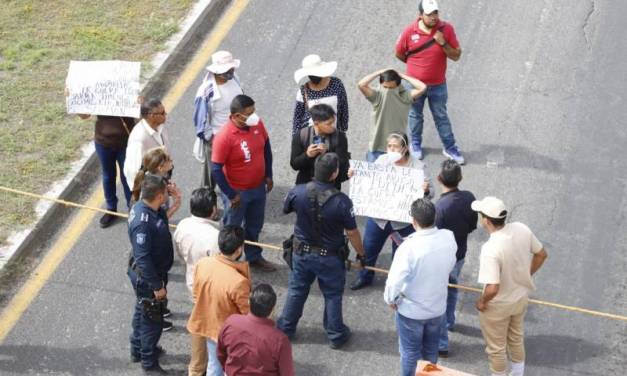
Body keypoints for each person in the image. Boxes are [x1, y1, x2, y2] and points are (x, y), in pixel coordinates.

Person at [277, 153, 366, 349]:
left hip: (301, 253)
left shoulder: (298, 191)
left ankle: (285, 329)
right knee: (333, 295)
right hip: (330, 257)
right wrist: (361, 253)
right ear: (334, 174)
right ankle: (335, 334)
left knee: (297, 290)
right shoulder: (342, 202)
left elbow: (286, 208)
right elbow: (352, 232)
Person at [472, 197, 548, 376]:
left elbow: (492, 288)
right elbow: (541, 254)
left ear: (486, 221)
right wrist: (526, 275)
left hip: (498, 305)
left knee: (496, 348)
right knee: (515, 338)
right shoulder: (522, 228)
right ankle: (517, 373)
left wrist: (482, 302)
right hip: (520, 297)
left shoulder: (490, 249)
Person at [350, 132, 433, 291]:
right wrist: (356, 175)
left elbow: (431, 194)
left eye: (396, 146)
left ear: (405, 148)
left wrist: (426, 190)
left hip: (402, 224)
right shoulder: (381, 161)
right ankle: (364, 277)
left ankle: (395, 284)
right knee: (369, 250)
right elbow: (368, 180)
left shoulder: (418, 167)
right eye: (389, 146)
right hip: (378, 220)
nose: (392, 149)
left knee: (400, 256)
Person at [384, 198, 456, 376]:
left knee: (410, 353)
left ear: (413, 221)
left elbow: (394, 282)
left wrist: (391, 300)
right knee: (431, 352)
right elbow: (451, 263)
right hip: (437, 308)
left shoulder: (408, 247)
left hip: (411, 312)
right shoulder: (448, 237)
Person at [211, 94, 276, 271]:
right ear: (237, 116)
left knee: (255, 225)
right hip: (237, 193)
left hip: (258, 188)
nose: (254, 115)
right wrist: (231, 195)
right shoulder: (224, 137)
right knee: (231, 229)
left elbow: (267, 148)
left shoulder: (256, 124)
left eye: (254, 111)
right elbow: (216, 169)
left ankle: (254, 257)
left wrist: (268, 174)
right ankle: (227, 263)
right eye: (249, 112)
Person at [395, 0, 464, 164]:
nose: (433, 17)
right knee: (415, 115)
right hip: (414, 85)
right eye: (429, 14)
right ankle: (416, 145)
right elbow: (399, 53)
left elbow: (456, 55)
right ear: (420, 15)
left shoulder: (446, 30)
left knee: (441, 116)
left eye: (435, 13)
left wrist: (443, 43)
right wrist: (415, 66)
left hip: (438, 85)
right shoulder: (409, 31)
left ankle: (450, 147)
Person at [186, 225, 252, 376]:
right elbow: (247, 312)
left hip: (208, 325)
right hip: (230, 333)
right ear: (239, 249)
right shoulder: (238, 281)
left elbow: (196, 293)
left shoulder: (203, 263)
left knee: (213, 365)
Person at [127, 174, 174, 374]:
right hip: (148, 277)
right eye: (165, 192)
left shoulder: (148, 209)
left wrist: (175, 200)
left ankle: (137, 349)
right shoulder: (143, 222)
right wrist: (157, 286)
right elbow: (143, 258)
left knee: (142, 310)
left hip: (151, 274)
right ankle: (149, 362)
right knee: (153, 321)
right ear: (159, 195)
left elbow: (161, 220)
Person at [434, 160, 477, 357]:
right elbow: (472, 226)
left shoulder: (440, 207)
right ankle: (449, 322)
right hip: (459, 254)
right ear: (460, 178)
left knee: (440, 297)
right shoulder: (469, 198)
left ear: (439, 179)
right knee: (451, 290)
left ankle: (442, 342)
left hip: (442, 260)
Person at [193, 50, 243, 216]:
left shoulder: (235, 80)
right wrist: (213, 140)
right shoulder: (206, 91)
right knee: (211, 177)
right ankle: (206, 209)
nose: (230, 72)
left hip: (235, 135)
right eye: (226, 70)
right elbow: (201, 122)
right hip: (216, 139)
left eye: (231, 69)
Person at [217, 284, 295, 376]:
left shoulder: (231, 322)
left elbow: (221, 353)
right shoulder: (280, 340)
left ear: (249, 302)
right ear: (273, 309)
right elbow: (287, 373)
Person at [78, 114, 137, 227]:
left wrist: (139, 102)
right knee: (108, 176)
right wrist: (74, 103)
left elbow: (138, 110)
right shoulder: (97, 95)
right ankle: (111, 209)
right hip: (103, 142)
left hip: (126, 142)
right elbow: (84, 116)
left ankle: (133, 209)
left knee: (128, 176)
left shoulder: (127, 94)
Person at [357, 68, 426, 162]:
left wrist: (401, 75)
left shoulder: (405, 96)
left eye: (391, 88)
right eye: (385, 87)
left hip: (397, 149)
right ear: (381, 85)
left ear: (398, 86)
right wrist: (378, 72)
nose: (388, 91)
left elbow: (422, 87)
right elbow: (361, 84)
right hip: (376, 148)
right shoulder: (377, 96)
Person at [173, 187, 220, 296]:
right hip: (210, 288)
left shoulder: (182, 225)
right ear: (214, 209)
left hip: (191, 280)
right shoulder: (215, 236)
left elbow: (180, 253)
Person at [290, 103, 349, 188]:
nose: (333, 126)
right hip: (305, 186)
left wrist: (326, 155)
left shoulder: (340, 137)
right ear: (316, 123)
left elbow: (342, 165)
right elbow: (294, 165)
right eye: (329, 124)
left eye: (333, 122)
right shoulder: (301, 136)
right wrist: (307, 155)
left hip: (330, 188)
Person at [292, 54, 349, 134]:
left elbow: (343, 108)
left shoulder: (336, 84)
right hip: (312, 141)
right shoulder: (303, 91)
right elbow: (297, 120)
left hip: (334, 136)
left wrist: (343, 129)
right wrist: (297, 142)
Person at [124, 98, 171, 185]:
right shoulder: (138, 139)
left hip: (162, 178)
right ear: (151, 115)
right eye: (162, 113)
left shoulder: (161, 125)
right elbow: (134, 171)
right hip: (150, 187)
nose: (165, 114)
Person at [130, 147, 182, 219]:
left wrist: (167, 190)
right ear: (160, 168)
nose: (171, 160)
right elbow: (158, 221)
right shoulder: (152, 189)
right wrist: (176, 204)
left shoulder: (159, 176)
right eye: (169, 160)